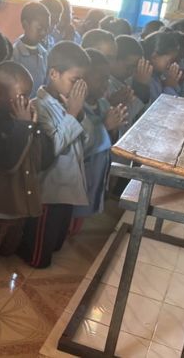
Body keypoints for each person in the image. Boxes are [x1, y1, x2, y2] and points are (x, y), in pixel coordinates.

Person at [0, 62, 54, 273]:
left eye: (28, 94)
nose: (26, 100)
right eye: (21, 94)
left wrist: (34, 127)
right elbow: (7, 162)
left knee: (8, 251)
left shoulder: (25, 118)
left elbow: (44, 161)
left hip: (21, 204)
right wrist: (23, 126)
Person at [20, 42, 90, 268]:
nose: (79, 88)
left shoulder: (68, 101)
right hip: (49, 188)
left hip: (67, 184)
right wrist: (72, 113)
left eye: (82, 82)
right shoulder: (38, 106)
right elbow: (52, 146)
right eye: (74, 80)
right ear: (53, 73)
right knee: (40, 256)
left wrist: (75, 113)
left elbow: (81, 140)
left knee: (57, 241)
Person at [71, 50, 127, 234]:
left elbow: (109, 142)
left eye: (107, 78)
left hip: (97, 174)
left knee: (85, 212)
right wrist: (104, 125)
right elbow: (81, 145)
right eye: (100, 79)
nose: (106, 84)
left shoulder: (103, 105)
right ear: (82, 80)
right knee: (70, 218)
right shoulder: (76, 109)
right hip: (78, 179)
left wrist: (113, 127)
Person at [12, 2, 51, 96]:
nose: (43, 33)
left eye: (46, 29)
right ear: (25, 25)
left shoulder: (44, 53)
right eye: (39, 28)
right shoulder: (14, 53)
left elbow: (45, 83)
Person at [141, 31, 184, 104]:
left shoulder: (158, 75)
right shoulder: (147, 79)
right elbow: (160, 108)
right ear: (154, 56)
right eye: (170, 61)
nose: (171, 65)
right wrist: (169, 87)